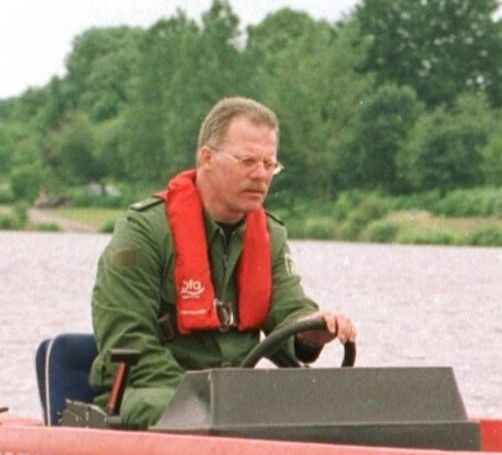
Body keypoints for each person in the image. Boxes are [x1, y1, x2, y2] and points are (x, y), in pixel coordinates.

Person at [89, 97, 355, 428]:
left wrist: (312, 331)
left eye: (269, 164)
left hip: (231, 400)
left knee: (320, 410)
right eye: (247, 161)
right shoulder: (143, 232)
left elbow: (290, 310)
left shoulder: (270, 235)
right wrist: (203, 398)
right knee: (197, 412)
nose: (260, 175)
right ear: (207, 158)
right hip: (149, 389)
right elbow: (127, 341)